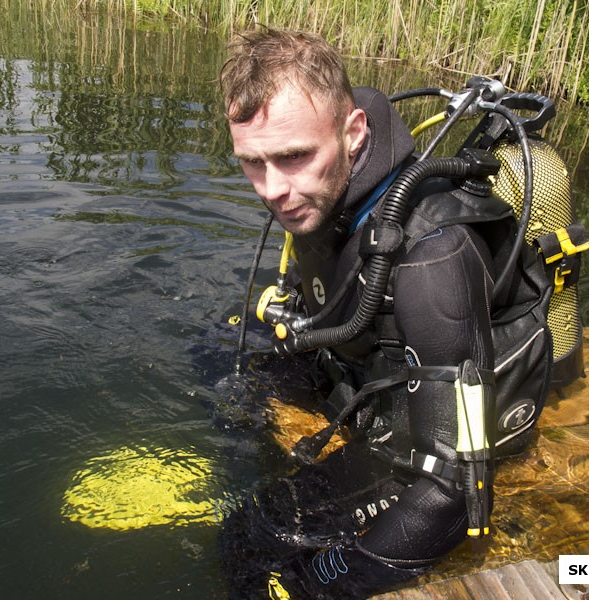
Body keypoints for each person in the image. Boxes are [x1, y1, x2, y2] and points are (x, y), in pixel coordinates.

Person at [217, 29, 516, 599]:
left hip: (420, 436)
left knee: (248, 539)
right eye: (252, 163)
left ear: (354, 134)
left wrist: (319, 581)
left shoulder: (435, 257)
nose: (274, 190)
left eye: (295, 156)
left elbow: (454, 493)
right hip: (358, 372)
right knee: (221, 360)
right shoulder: (321, 193)